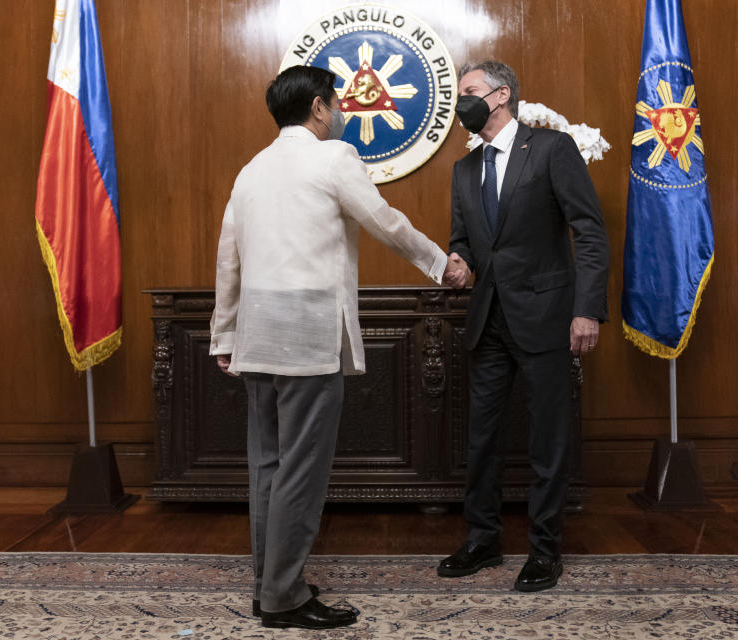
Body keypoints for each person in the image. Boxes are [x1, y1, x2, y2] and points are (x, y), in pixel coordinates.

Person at [210, 65, 465, 630]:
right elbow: (384, 220)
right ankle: (285, 596)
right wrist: (437, 263)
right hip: (305, 335)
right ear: (320, 108)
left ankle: (266, 585)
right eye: (338, 104)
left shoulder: (250, 169)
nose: (343, 113)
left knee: (267, 468)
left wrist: (224, 335)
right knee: (301, 469)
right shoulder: (334, 158)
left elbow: (228, 255)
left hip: (257, 335)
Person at [438, 60, 610, 592]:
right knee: (482, 439)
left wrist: (587, 309)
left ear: (500, 95)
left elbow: (590, 233)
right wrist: (458, 260)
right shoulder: (464, 170)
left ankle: (544, 549)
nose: (460, 100)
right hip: (487, 320)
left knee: (548, 440)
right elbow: (465, 240)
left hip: (547, 318)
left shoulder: (553, 150)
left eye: (468, 91)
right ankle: (483, 540)